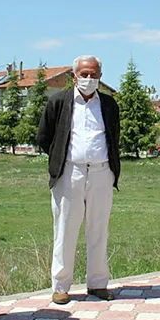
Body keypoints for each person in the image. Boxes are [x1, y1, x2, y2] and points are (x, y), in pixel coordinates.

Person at [37, 55, 120, 305]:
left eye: (94, 74)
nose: (88, 79)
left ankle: (97, 283)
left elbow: (114, 136)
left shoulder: (108, 104)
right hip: (69, 172)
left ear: (100, 77)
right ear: (74, 76)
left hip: (101, 172)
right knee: (65, 229)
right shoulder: (58, 101)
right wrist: (60, 158)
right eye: (84, 74)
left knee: (99, 228)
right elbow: (44, 137)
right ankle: (61, 286)